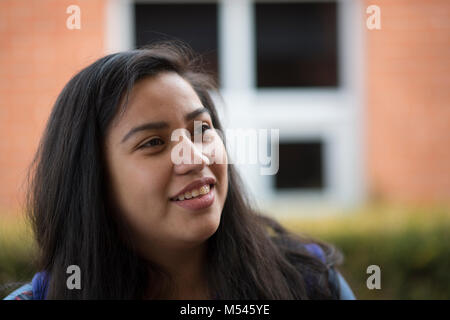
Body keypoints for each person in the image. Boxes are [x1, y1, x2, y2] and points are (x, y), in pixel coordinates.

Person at [3, 41, 355, 300]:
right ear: (92, 179)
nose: (195, 158)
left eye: (202, 130)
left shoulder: (311, 284)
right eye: (153, 143)